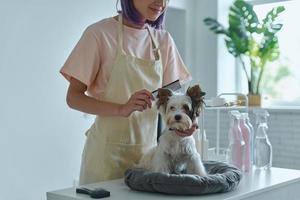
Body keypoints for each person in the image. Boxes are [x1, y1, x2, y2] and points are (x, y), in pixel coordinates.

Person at [60, 0, 197, 185]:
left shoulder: (163, 41)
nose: (161, 3)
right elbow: (73, 98)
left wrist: (188, 124)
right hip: (105, 159)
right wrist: (121, 109)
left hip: (150, 159)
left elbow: (173, 102)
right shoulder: (99, 34)